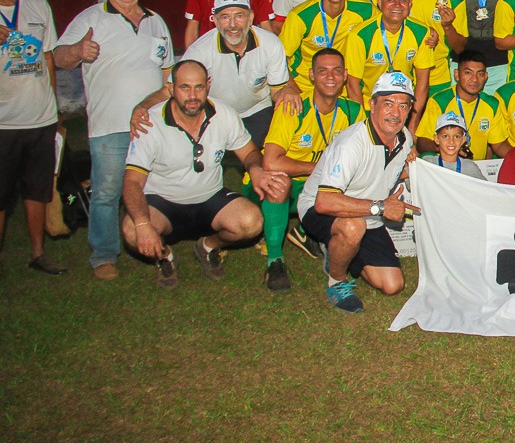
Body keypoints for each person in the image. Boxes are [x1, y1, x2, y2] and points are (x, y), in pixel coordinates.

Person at [55, 0, 174, 280]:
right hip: (109, 126)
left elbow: (166, 74)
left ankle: (154, 241)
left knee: (155, 188)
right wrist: (78, 51)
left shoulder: (155, 21)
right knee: (107, 192)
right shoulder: (91, 19)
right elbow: (58, 57)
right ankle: (104, 255)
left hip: (151, 127)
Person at [121, 60, 286, 287]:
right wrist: (142, 223)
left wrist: (256, 168)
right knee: (131, 230)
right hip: (163, 203)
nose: (192, 95)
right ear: (171, 88)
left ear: (208, 85)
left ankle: (207, 246)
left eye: (198, 87)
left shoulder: (224, 114)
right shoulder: (150, 122)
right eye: (184, 87)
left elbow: (249, 152)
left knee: (252, 221)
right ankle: (165, 256)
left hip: (210, 198)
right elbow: (131, 182)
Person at [298, 72, 417, 314]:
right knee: (353, 228)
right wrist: (382, 207)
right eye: (388, 103)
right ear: (372, 104)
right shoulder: (351, 144)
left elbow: (388, 171)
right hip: (320, 208)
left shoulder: (404, 138)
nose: (395, 113)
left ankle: (337, 248)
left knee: (393, 285)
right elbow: (324, 202)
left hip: (368, 213)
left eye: (403, 105)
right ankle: (337, 280)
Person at [134, 0, 294, 149]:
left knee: (261, 165)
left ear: (250, 17)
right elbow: (170, 90)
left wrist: (287, 91)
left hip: (257, 110)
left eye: (239, 16)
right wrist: (142, 107)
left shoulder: (271, 44)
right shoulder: (200, 50)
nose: (232, 25)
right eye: (225, 17)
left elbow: (277, 90)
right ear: (215, 21)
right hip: (216, 114)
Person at [260, 48, 363, 292]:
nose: (330, 77)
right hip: (280, 184)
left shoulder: (353, 110)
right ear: (311, 75)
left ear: (345, 75)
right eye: (323, 71)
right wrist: (320, 168)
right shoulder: (293, 106)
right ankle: (275, 259)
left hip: (321, 186)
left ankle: (313, 233)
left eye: (337, 71)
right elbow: (271, 162)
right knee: (278, 181)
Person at [0, 0, 65, 275]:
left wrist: (53, 108)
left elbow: (49, 56)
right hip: (3, 122)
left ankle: (38, 253)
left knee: (38, 188)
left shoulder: (38, 4)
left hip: (40, 117)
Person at [344, 0, 435, 124]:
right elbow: (352, 84)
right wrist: (362, 123)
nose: (397, 5)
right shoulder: (360, 35)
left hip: (404, 107)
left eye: (403, 0)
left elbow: (422, 82)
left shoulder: (421, 32)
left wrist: (413, 122)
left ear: (410, 3)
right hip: (369, 107)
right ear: (380, 3)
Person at [279, 0, 364, 99]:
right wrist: (297, 95)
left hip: (344, 91)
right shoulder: (301, 16)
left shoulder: (365, 11)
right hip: (305, 88)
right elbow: (279, 61)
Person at [416, 49, 510, 159]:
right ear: (457, 74)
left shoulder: (492, 104)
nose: (474, 79)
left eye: (480, 74)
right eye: (468, 73)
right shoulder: (440, 101)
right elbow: (422, 142)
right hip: (447, 169)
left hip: (476, 170)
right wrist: (445, 147)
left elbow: (498, 145)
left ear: (486, 76)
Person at [406, 0, 468, 95]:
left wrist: (447, 27)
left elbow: (460, 47)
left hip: (437, 78)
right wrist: (425, 32)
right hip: (404, 73)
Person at [428, 112, 487, 180]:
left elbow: (486, 188)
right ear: (437, 139)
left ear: (463, 140)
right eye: (445, 136)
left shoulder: (470, 167)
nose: (451, 141)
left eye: (456, 136)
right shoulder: (428, 163)